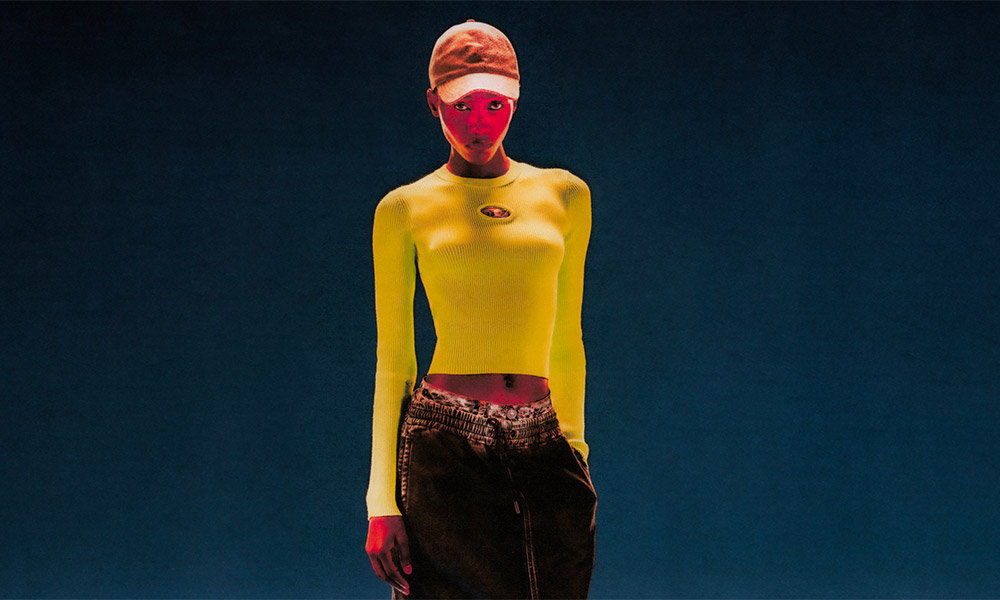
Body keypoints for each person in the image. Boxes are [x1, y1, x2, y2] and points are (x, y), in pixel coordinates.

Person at [364, 19, 597, 599]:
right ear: (433, 104)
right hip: (444, 448)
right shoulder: (404, 208)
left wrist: (574, 450)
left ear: (516, 101)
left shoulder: (565, 195)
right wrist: (380, 501)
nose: (478, 124)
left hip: (544, 445)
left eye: (495, 105)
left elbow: (567, 338)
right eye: (462, 106)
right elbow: (394, 360)